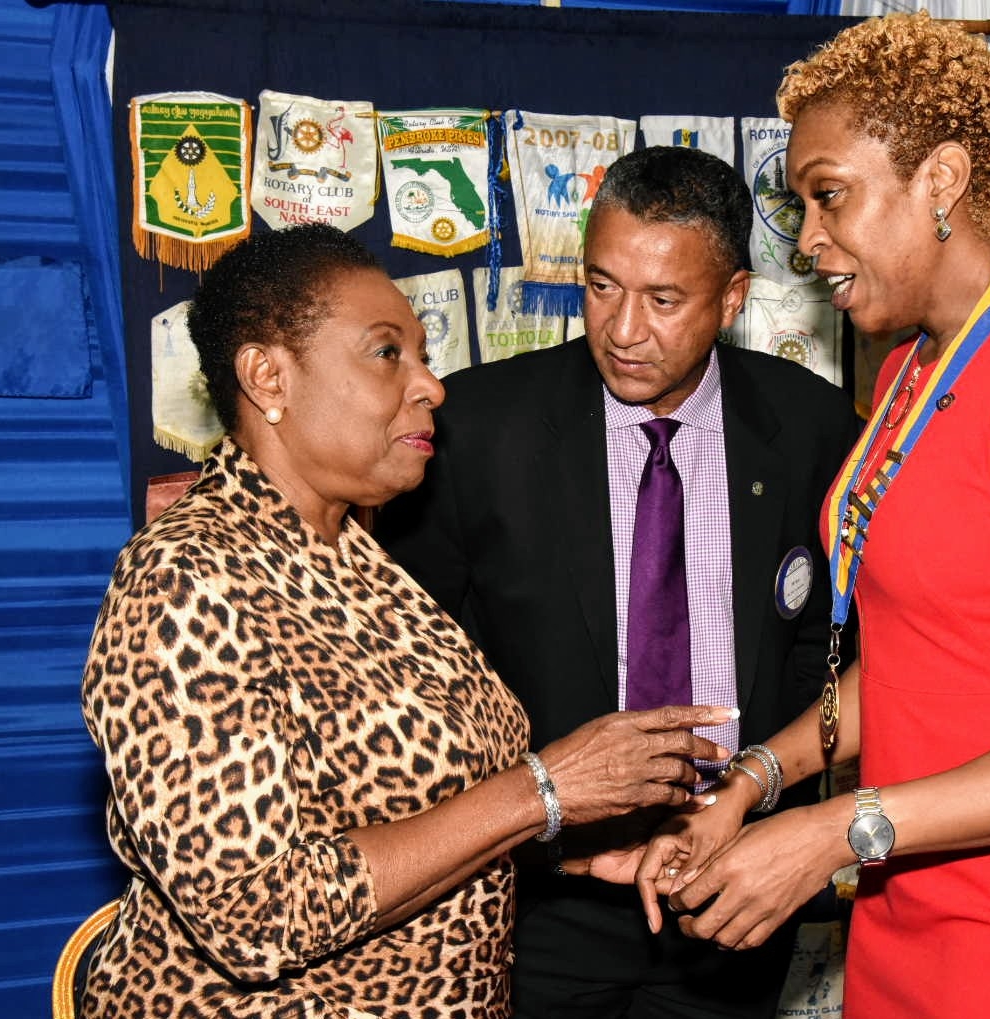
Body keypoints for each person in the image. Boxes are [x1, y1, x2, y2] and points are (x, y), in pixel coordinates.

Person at [632, 14, 990, 1019]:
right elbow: (924, 657)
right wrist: (759, 778)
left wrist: (837, 827)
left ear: (937, 180)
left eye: (828, 196)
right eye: (801, 204)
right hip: (904, 913)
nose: (806, 242)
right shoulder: (906, 371)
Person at [79, 223, 731, 1019]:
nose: (431, 384)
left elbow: (413, 810)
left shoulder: (362, 555)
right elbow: (256, 914)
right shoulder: (184, 577)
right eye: (387, 353)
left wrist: (572, 846)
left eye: (421, 353)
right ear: (267, 377)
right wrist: (543, 791)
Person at [375, 146, 860, 1019]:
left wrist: (761, 799)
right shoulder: (477, 429)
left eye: (664, 299)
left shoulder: (812, 426)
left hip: (728, 896)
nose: (624, 329)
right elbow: (413, 687)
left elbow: (829, 663)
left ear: (734, 299)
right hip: (538, 901)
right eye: (602, 286)